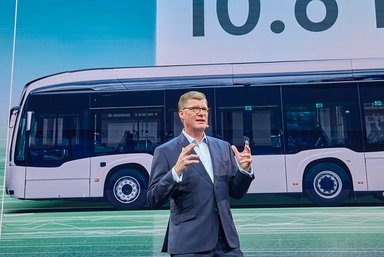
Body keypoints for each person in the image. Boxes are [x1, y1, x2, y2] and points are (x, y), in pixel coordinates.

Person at [147, 91, 254, 256]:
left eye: (204, 109)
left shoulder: (223, 147)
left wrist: (244, 170)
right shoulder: (165, 151)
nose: (201, 113)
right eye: (195, 108)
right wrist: (175, 172)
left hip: (227, 243)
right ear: (182, 114)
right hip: (190, 244)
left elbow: (237, 193)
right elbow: (153, 199)